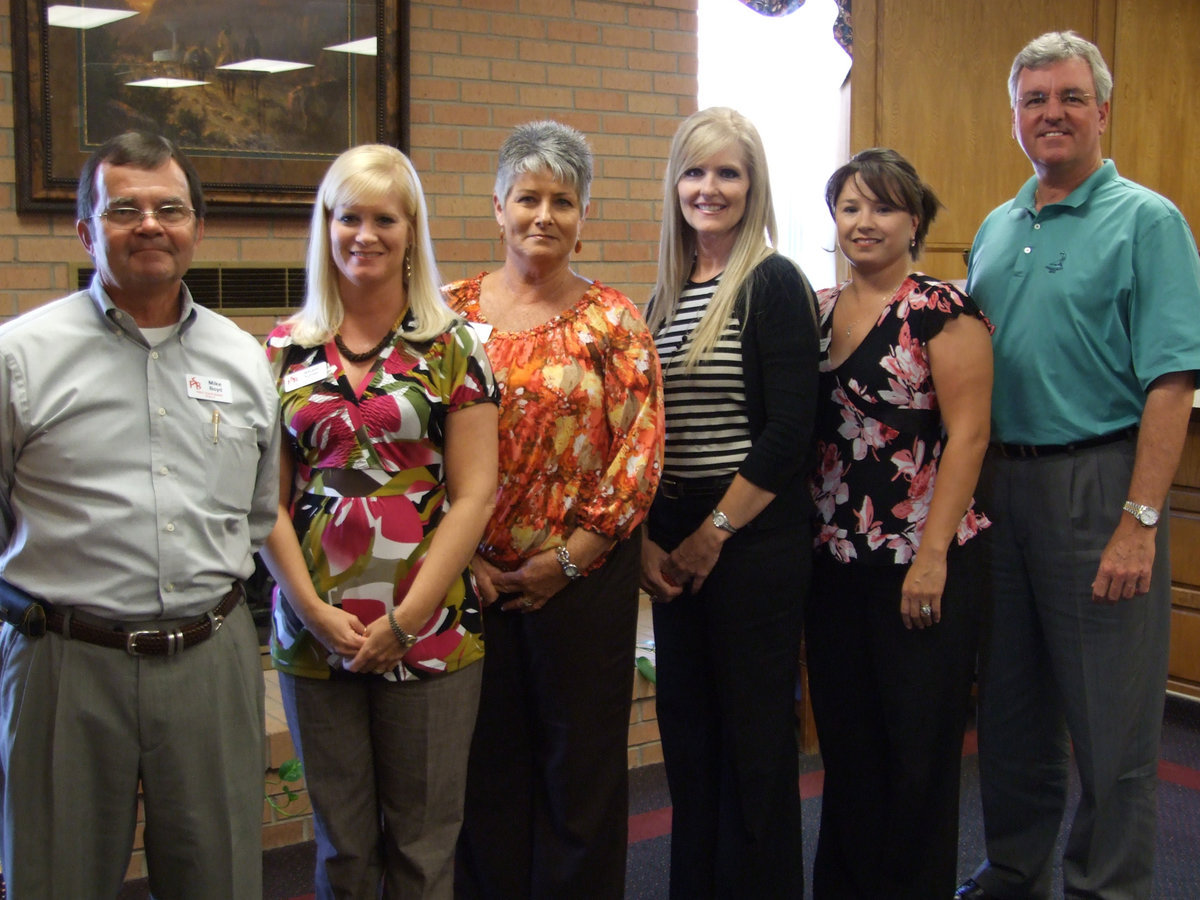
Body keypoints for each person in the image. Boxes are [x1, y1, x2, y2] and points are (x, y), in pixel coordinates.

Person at [0, 132, 279, 898]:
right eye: (124, 208)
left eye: (170, 208)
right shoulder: (18, 357)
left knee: (219, 877)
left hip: (209, 660)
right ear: (87, 230)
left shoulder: (245, 359)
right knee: (54, 878)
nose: (150, 224)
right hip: (64, 664)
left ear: (196, 228)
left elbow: (257, 514)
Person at [956, 31, 1200, 900]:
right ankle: (1015, 869)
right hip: (1001, 490)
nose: (1050, 114)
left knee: (1112, 724)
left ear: (1103, 109)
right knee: (1012, 710)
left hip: (1099, 484)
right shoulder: (995, 225)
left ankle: (1109, 886)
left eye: (1067, 97)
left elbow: (1172, 383)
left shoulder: (1148, 220)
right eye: (1033, 101)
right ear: (1015, 117)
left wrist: (1139, 522)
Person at [259, 144, 499, 899]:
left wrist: (407, 616)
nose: (365, 234)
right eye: (348, 216)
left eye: (384, 218)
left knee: (425, 847)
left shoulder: (455, 345)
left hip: (429, 623)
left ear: (411, 230)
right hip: (314, 628)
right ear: (325, 226)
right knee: (342, 848)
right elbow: (262, 500)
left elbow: (475, 494)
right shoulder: (282, 349)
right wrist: (311, 611)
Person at [448, 120, 663, 899]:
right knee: (484, 771)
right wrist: (460, 555)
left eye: (563, 202)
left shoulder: (614, 320)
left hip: (584, 581)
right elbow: (418, 446)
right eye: (528, 197)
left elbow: (639, 451)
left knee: (581, 775)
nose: (545, 215)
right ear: (498, 206)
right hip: (468, 580)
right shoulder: (449, 314)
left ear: (582, 215)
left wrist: (567, 558)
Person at [641, 106, 819, 899]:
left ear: (753, 187)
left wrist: (714, 533)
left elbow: (789, 433)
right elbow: (646, 435)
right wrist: (649, 539)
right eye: (695, 171)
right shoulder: (663, 296)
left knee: (752, 743)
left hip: (749, 538)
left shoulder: (770, 281)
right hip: (675, 535)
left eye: (728, 173)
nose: (708, 188)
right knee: (690, 735)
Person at [806, 148, 993, 899]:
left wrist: (932, 556)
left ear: (914, 219)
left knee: (917, 754)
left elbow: (970, 435)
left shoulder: (942, 309)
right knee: (848, 753)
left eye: (881, 207)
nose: (864, 222)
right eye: (850, 207)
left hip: (923, 562)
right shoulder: (817, 310)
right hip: (833, 563)